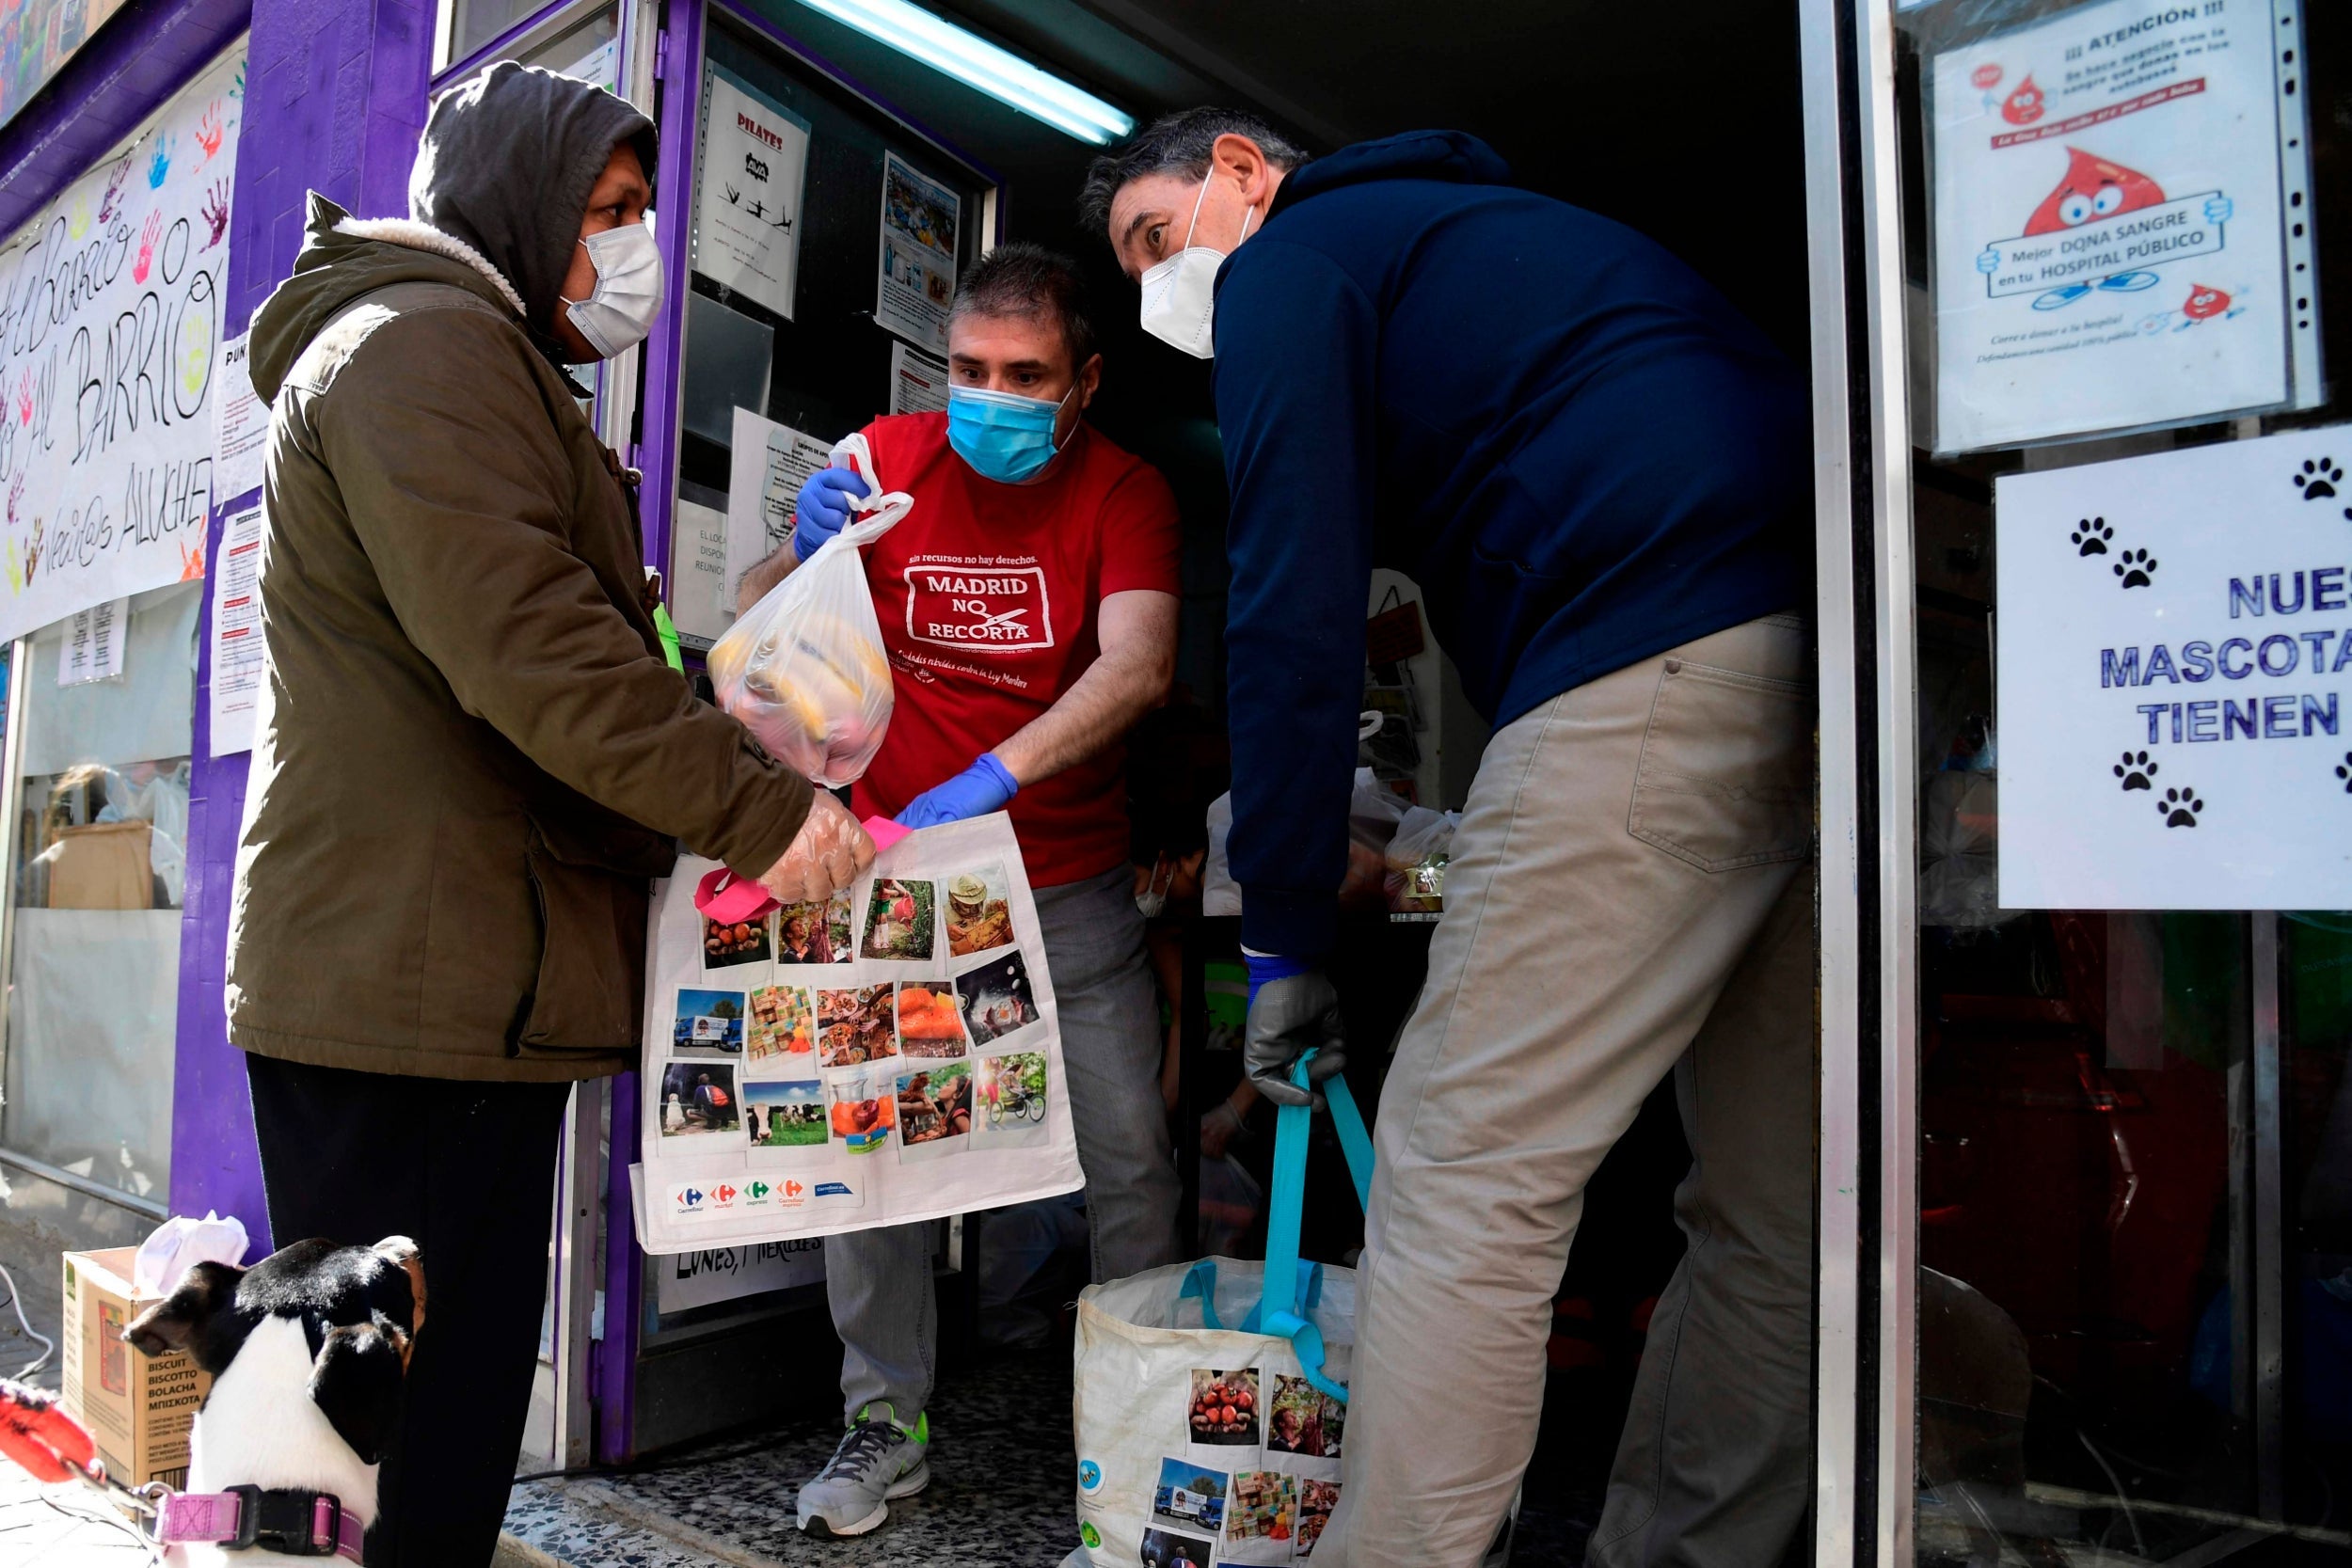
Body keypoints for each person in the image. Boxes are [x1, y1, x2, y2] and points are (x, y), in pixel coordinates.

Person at [1084, 113, 1815, 1566]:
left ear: (1241, 166)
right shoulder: (1494, 242)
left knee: (1465, 1174)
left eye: (1160, 237)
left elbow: (1293, 602)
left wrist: (1282, 933)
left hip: (1651, 658)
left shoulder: (1294, 262)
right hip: (1829, 665)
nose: (1168, 287)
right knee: (1772, 1205)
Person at [229, 63, 871, 1565]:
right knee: (406, 1410)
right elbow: (529, 648)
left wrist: (722, 719)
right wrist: (755, 811)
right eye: (611, 212)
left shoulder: (470, 359)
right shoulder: (424, 354)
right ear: (517, 207)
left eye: (646, 210)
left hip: (439, 975)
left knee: (402, 1405)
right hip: (417, 990)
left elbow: (558, 651)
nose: (636, 251)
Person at [735, 241, 1184, 1537]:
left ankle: (1136, 1432)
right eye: (970, 371)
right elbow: (758, 617)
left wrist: (1000, 770)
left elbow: (1141, 664)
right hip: (900, 881)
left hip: (1069, 884)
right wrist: (797, 549)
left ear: (1085, 381)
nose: (990, 397)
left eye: (1026, 375)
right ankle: (884, 1424)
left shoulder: (1130, 493)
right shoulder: (885, 456)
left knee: (1132, 1166)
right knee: (869, 1158)